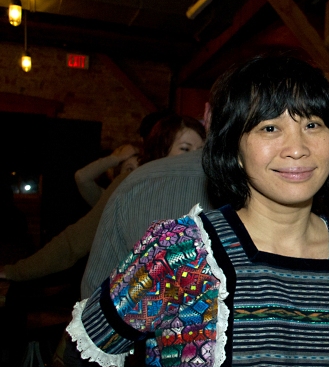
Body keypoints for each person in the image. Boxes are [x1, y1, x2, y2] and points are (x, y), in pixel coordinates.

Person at [66, 56, 329, 367]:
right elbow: (86, 352)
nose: (297, 148)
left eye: (313, 125)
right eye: (270, 128)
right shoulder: (181, 252)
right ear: (234, 148)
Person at [0, 115, 205, 282]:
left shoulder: (205, 192)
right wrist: (16, 272)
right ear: (162, 150)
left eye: (200, 150)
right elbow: (74, 242)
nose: (195, 158)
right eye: (185, 149)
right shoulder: (131, 187)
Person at [75, 144, 139, 207]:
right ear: (117, 176)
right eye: (129, 169)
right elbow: (82, 177)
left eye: (139, 168)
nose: (136, 173)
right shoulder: (108, 201)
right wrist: (118, 158)